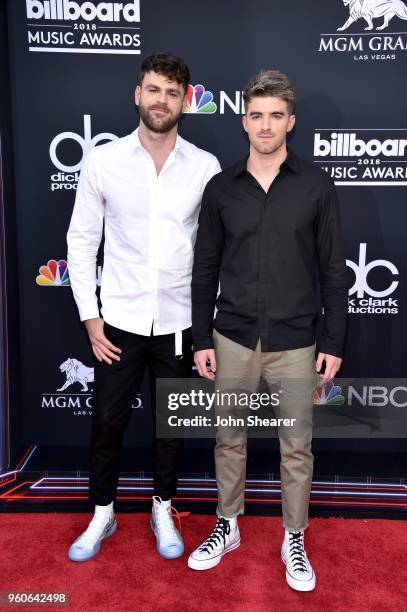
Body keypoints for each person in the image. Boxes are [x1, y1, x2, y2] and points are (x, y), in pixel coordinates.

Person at [188, 70, 348, 591]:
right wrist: (199, 338)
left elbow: (331, 270)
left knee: (296, 446)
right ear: (244, 121)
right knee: (228, 438)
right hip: (231, 335)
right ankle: (227, 524)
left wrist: (334, 342)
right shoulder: (221, 189)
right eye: (256, 115)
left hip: (297, 340)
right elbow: (204, 268)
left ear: (290, 122)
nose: (265, 124)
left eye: (276, 115)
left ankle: (293, 536)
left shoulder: (316, 186)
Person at [66, 52, 221, 562]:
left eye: (172, 93)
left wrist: (206, 327)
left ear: (185, 101)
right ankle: (103, 513)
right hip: (118, 324)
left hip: (180, 323)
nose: (161, 100)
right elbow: (82, 241)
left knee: (170, 429)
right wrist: (90, 317)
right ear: (138, 94)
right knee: (106, 423)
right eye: (153, 90)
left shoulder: (204, 167)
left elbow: (215, 253)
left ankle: (162, 506)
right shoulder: (104, 161)